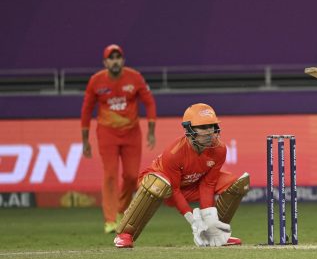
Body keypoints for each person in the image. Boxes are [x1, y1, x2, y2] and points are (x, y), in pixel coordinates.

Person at [113, 103, 250, 248]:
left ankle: (215, 234)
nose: (210, 131)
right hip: (164, 186)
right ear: (189, 129)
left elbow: (207, 184)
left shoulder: (220, 149)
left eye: (212, 126)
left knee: (236, 184)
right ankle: (125, 234)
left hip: (191, 186)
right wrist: (193, 220)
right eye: (203, 127)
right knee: (158, 185)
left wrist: (208, 219)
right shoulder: (173, 154)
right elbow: (175, 189)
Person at [81, 45, 157, 234]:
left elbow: (149, 102)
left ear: (122, 60)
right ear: (105, 62)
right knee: (110, 175)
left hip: (132, 133)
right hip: (107, 133)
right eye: (111, 58)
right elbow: (86, 110)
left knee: (132, 176)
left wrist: (151, 130)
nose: (115, 60)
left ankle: (122, 210)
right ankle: (110, 220)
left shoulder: (135, 77)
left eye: (118, 57)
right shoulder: (96, 81)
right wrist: (85, 140)